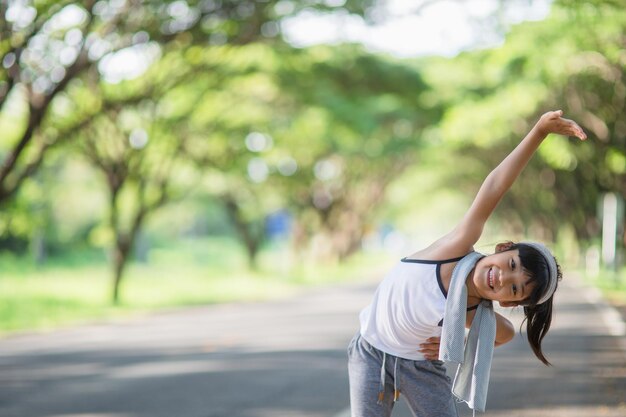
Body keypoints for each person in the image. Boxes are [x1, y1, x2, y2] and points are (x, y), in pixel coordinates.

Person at [348, 110, 587, 417]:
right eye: (511, 265)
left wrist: (457, 343)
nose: (502, 279)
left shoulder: (473, 310)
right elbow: (494, 187)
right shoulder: (456, 249)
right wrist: (539, 132)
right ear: (502, 248)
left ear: (505, 301)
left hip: (420, 366)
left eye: (513, 290)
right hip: (371, 352)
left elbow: (505, 334)